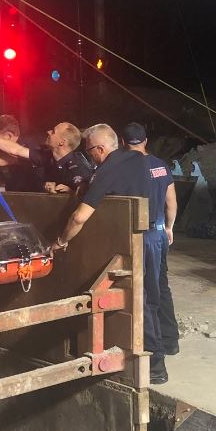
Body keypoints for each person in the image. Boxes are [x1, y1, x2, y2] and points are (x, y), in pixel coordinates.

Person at [51, 124, 166, 383]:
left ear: (99, 149)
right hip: (153, 237)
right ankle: (159, 358)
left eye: (89, 151)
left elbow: (80, 216)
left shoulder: (106, 171)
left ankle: (155, 367)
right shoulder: (138, 159)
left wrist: (60, 241)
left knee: (140, 301)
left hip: (134, 240)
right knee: (152, 298)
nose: (89, 157)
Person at [123, 123, 180, 357]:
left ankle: (155, 354)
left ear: (123, 142)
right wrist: (169, 228)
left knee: (148, 294)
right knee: (162, 288)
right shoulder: (161, 166)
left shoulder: (126, 168)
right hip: (159, 233)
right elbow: (172, 203)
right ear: (146, 141)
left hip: (143, 236)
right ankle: (171, 341)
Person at [0, 118, 93, 195]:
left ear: (62, 142)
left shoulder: (78, 166)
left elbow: (88, 195)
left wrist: (69, 193)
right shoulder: (46, 156)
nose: (48, 132)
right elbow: (16, 150)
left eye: (54, 132)